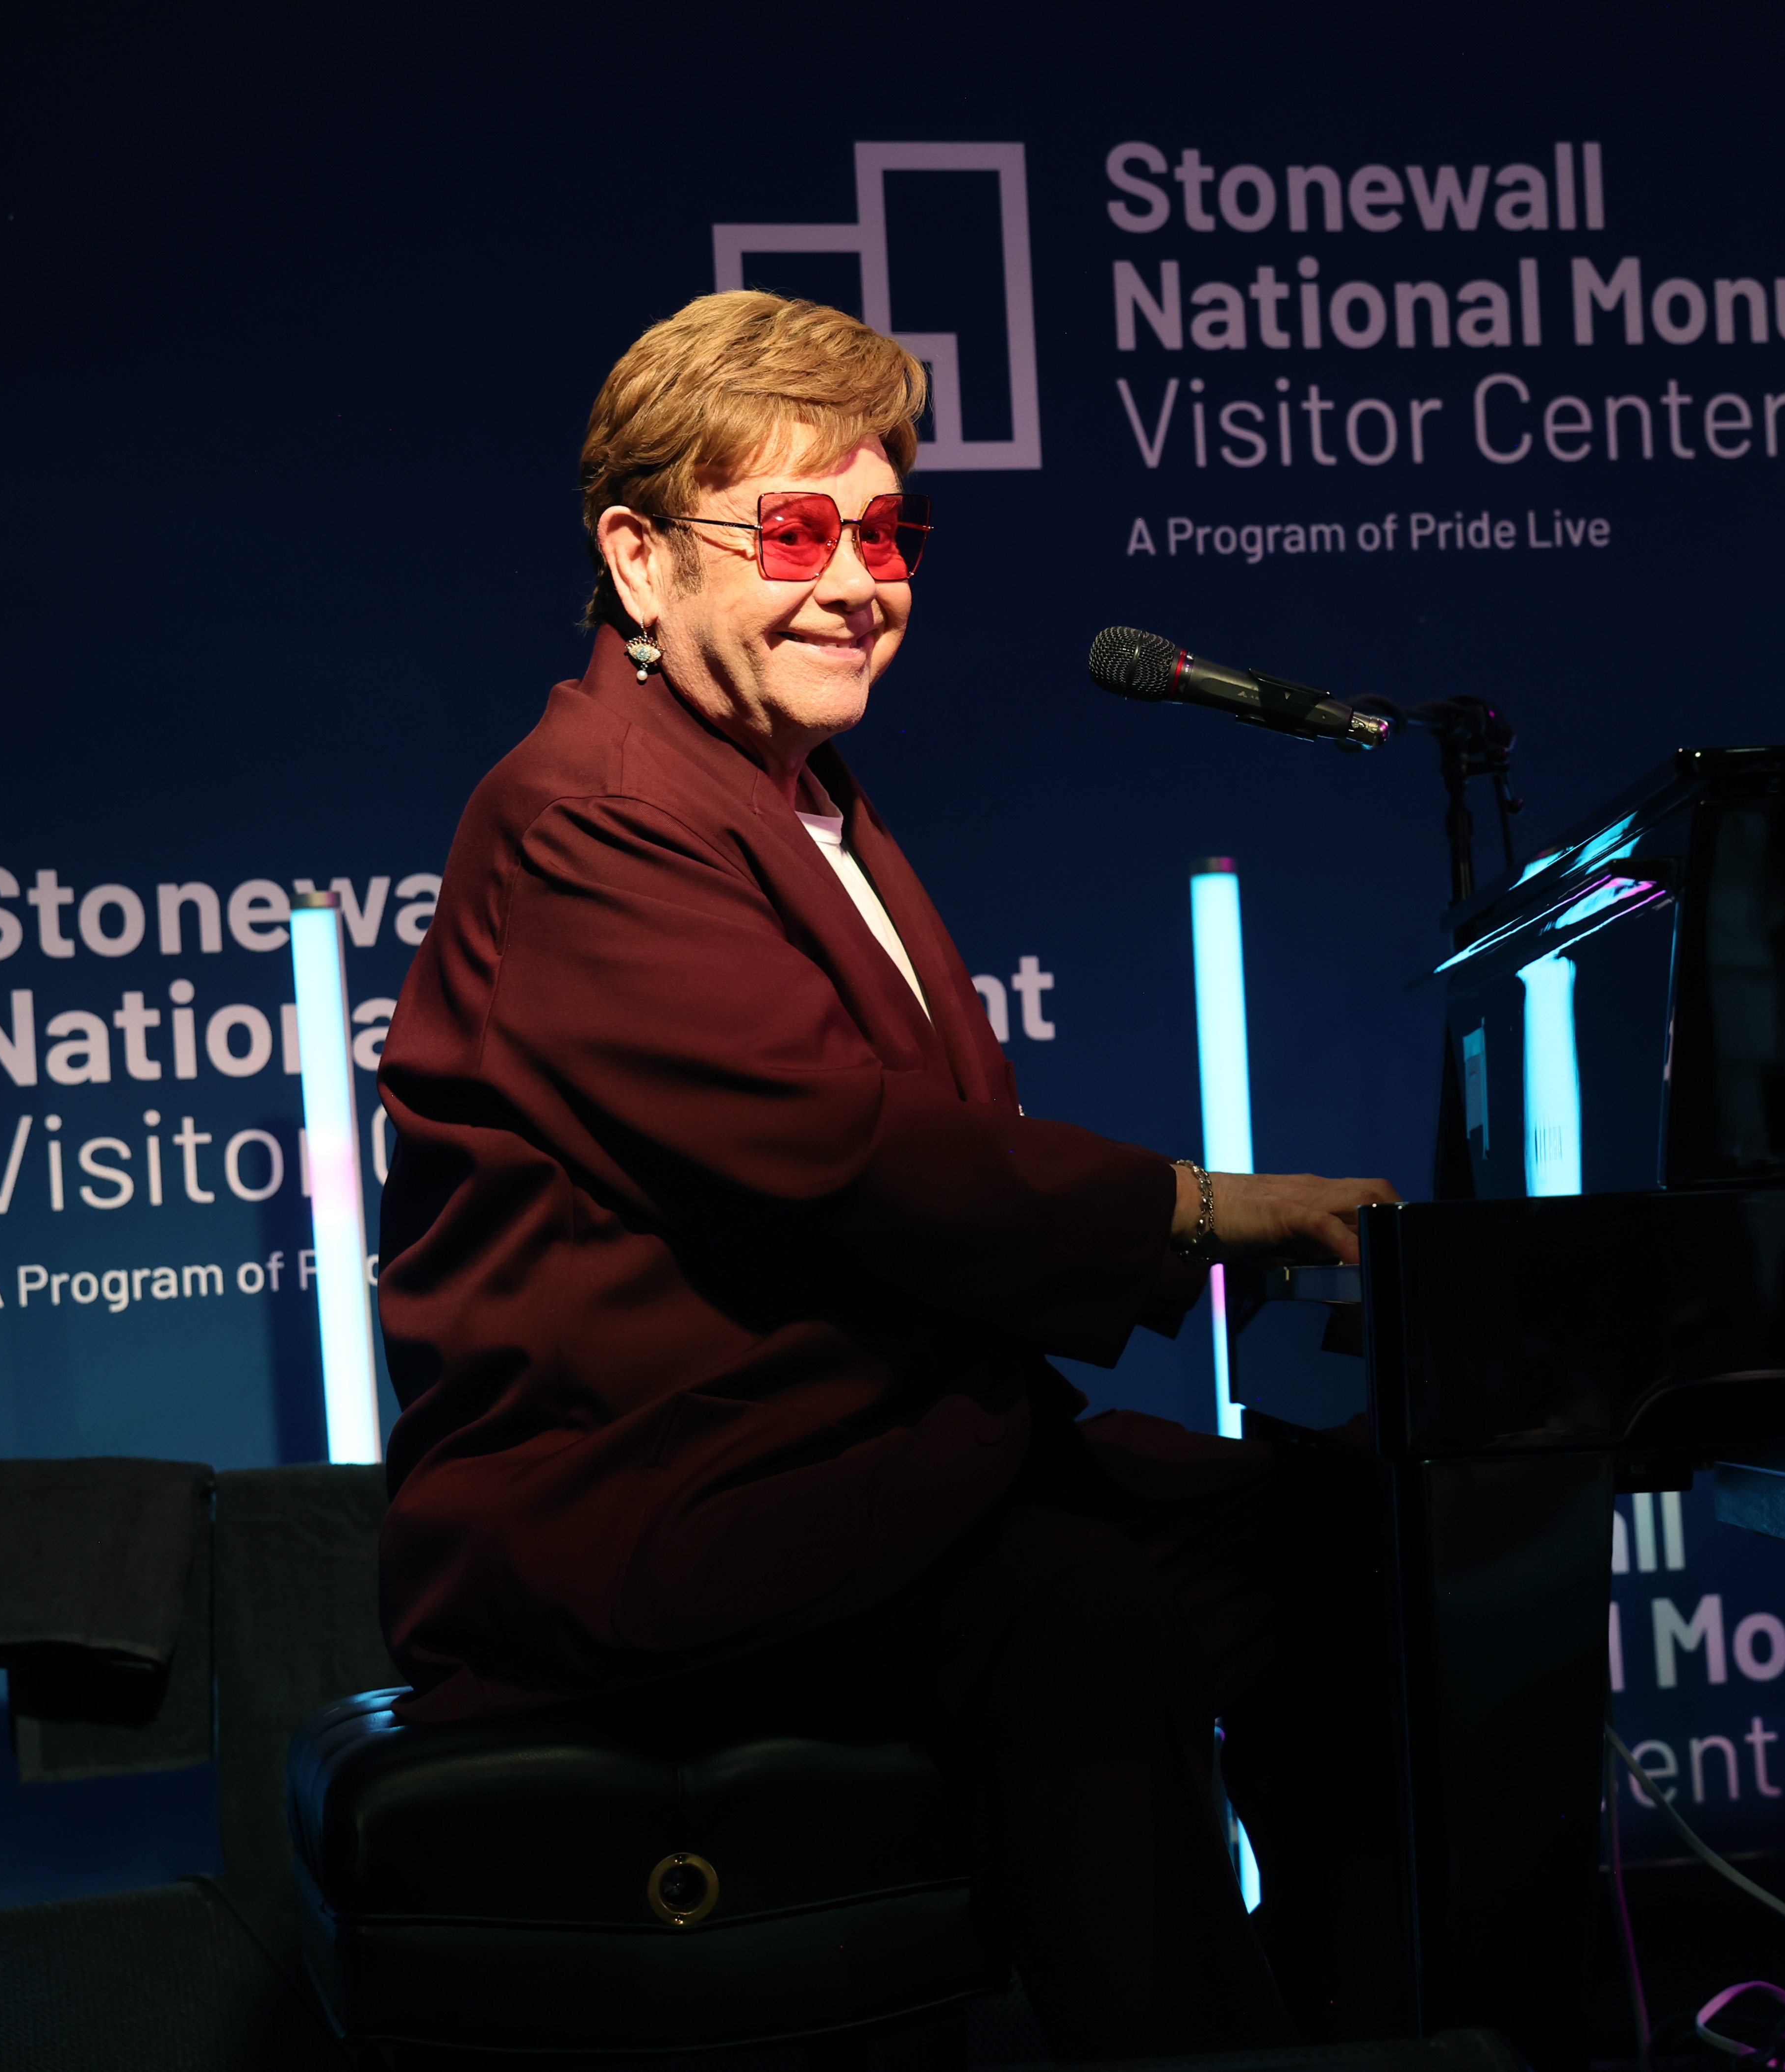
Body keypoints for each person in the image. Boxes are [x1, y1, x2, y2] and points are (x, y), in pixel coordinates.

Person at [372, 291, 1403, 2053]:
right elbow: (850, 1154)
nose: (860, 577)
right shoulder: (589, 812)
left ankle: (1386, 2018)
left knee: (1359, 1551)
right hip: (665, 1507)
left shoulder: (795, 792)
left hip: (853, 1450)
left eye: (887, 527)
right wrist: (1207, 1206)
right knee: (1082, 1619)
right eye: (793, 527)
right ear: (640, 559)